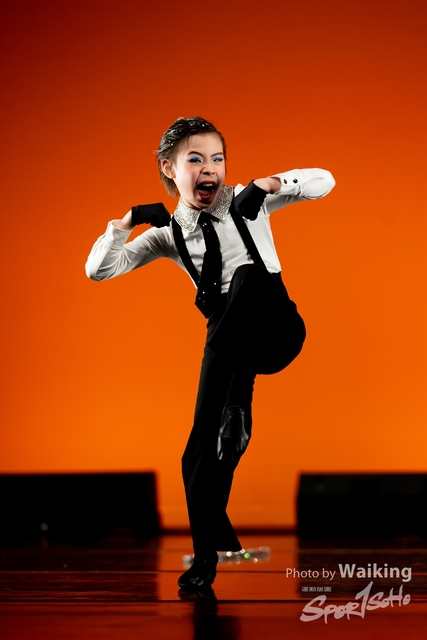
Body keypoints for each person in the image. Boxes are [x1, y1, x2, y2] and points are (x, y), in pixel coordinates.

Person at [85, 116, 335, 590]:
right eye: (196, 159)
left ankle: (238, 399)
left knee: (246, 278)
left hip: (277, 330)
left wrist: (271, 184)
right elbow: (100, 270)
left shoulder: (248, 203)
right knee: (197, 448)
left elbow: (326, 180)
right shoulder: (168, 235)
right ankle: (205, 558)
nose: (210, 169)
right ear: (169, 168)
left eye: (217, 159)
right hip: (229, 339)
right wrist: (125, 224)